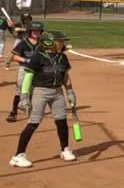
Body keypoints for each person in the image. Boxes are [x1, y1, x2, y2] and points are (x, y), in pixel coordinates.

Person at [10, 30, 77, 168]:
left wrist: (70, 91)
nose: (62, 43)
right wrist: (24, 97)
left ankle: (65, 149)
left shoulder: (62, 57)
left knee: (61, 121)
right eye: (60, 41)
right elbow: (28, 77)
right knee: (33, 122)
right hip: (40, 92)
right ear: (49, 42)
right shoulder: (37, 57)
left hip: (57, 92)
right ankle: (18, 156)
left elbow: (65, 76)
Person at [7, 21, 43, 123]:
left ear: (41, 32)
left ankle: (29, 110)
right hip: (24, 68)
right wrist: (27, 60)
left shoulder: (42, 43)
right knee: (19, 89)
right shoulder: (23, 43)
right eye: (33, 30)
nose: (36, 32)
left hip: (37, 70)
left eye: (38, 31)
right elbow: (15, 56)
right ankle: (14, 112)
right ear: (30, 31)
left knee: (33, 90)